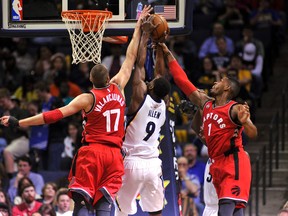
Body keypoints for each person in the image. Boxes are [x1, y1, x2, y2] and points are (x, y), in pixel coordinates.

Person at [1, 5, 153, 216]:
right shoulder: (118, 86)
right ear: (109, 78)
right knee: (104, 205)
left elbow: (52, 116)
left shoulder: (86, 98)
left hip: (93, 152)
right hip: (115, 155)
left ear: (90, 81)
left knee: (82, 202)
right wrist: (138, 27)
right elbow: (130, 56)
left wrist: (19, 122)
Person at [160, 43, 258, 215]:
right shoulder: (205, 104)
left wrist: (247, 123)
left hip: (233, 161)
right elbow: (183, 81)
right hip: (216, 162)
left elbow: (253, 133)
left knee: (226, 209)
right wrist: (168, 54)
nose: (215, 82)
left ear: (227, 88)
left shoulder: (234, 109)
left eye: (220, 81)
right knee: (233, 211)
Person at [114, 18, 171, 216]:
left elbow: (138, 66)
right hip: (154, 163)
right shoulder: (165, 104)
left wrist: (145, 35)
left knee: (122, 211)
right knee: (156, 211)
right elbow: (160, 74)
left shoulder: (139, 98)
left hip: (132, 163)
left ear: (152, 86)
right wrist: (160, 48)